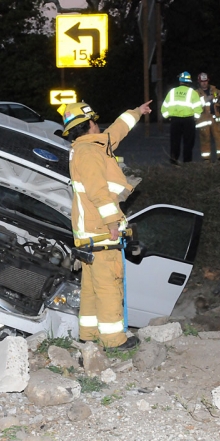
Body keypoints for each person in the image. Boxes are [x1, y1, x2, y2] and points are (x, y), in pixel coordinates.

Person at [59, 100, 152, 351]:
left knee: (91, 289)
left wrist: (136, 112)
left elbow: (116, 131)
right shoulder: (89, 153)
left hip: (89, 234)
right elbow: (99, 192)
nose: (99, 125)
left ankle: (87, 336)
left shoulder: (90, 147)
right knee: (109, 285)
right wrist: (112, 222)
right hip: (100, 232)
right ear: (90, 124)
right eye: (95, 121)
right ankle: (114, 340)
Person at [161, 71, 203, 164]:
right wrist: (195, 118)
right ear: (189, 81)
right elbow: (198, 108)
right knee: (188, 143)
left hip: (175, 120)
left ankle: (174, 160)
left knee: (175, 142)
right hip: (189, 120)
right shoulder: (193, 93)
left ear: (180, 81)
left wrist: (168, 117)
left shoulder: (172, 92)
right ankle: (187, 162)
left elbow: (164, 108)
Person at [195, 72, 220, 161]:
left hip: (215, 119)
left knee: (219, 138)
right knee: (205, 140)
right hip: (203, 120)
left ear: (208, 81)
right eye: (202, 81)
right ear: (199, 82)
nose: (204, 83)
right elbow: (194, 105)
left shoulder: (214, 90)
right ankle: (206, 160)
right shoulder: (196, 93)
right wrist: (205, 99)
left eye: (205, 81)